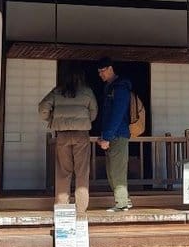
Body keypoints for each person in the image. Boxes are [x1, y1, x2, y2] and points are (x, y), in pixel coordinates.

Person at [39, 65, 98, 214]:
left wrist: (52, 119)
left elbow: (42, 108)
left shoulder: (57, 91)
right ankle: (81, 209)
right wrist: (84, 120)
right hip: (81, 134)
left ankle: (62, 207)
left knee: (63, 171)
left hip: (63, 134)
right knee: (82, 171)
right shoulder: (87, 92)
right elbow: (94, 112)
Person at [96, 56, 133, 212]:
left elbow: (117, 114)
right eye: (99, 72)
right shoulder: (111, 87)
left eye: (102, 71)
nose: (100, 75)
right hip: (113, 134)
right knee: (113, 170)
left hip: (118, 134)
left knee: (116, 171)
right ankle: (124, 200)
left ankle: (121, 203)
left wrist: (107, 136)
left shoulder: (120, 87)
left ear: (110, 68)